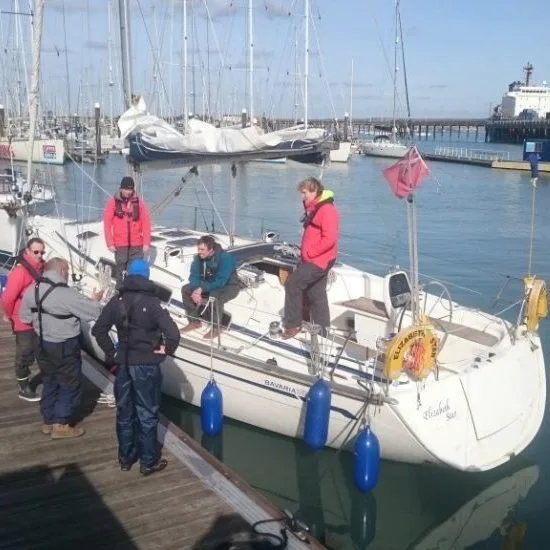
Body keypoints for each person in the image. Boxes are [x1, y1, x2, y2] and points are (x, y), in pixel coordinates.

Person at [92, 259, 180, 476]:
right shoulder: (153, 303)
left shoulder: (117, 300)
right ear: (147, 276)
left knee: (124, 412)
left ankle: (125, 458)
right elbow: (174, 334)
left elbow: (98, 330)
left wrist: (112, 353)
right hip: (147, 367)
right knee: (147, 414)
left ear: (128, 276)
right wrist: (166, 350)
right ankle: (148, 461)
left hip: (124, 365)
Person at [19, 257, 104, 438]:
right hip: (64, 345)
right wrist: (95, 300)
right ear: (62, 271)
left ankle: (48, 421)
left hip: (41, 343)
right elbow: (93, 312)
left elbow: (25, 318)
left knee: (50, 381)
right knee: (69, 384)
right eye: (67, 271)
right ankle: (61, 424)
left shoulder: (31, 291)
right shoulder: (66, 294)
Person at [282, 177, 339, 339]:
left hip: (318, 260)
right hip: (318, 259)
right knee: (316, 293)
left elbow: (330, 239)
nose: (302, 196)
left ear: (314, 190)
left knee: (293, 284)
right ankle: (323, 331)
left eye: (304, 193)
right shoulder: (315, 208)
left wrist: (310, 253)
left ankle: (293, 325)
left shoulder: (326, 210)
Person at [1, 237, 46, 401]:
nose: (39, 255)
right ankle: (23, 386)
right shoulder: (20, 272)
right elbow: (7, 298)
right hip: (22, 319)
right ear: (27, 251)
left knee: (41, 349)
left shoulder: (42, 268)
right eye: (36, 252)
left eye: (42, 252)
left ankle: (46, 378)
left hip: (39, 318)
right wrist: (8, 314)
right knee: (25, 353)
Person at [180, 235, 240, 339]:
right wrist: (195, 290)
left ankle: (217, 328)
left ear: (210, 249)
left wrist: (201, 289)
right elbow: (194, 275)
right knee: (185, 289)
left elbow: (221, 281)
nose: (199, 252)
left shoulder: (225, 258)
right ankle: (194, 321)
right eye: (198, 249)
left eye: (202, 249)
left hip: (229, 286)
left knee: (214, 295)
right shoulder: (198, 257)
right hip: (209, 283)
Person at [103, 176, 151, 286]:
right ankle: (120, 293)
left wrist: (146, 243)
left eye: (131, 189)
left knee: (135, 272)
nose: (129, 192)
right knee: (120, 271)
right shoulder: (113, 203)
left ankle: (134, 294)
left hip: (137, 245)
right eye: (126, 189)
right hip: (120, 245)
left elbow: (146, 223)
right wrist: (110, 243)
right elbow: (107, 224)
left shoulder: (139, 203)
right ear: (121, 189)